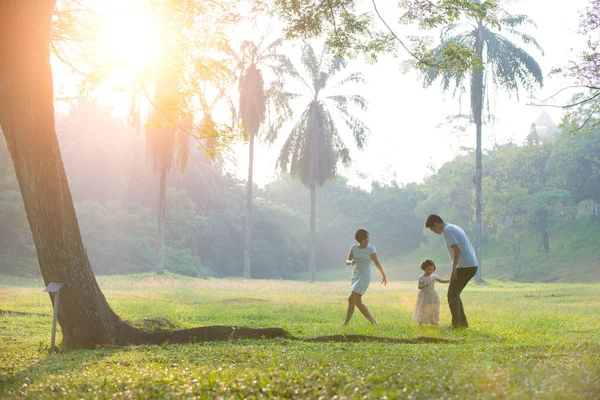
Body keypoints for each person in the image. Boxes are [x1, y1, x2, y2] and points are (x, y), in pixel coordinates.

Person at [425, 214, 478, 328]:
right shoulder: (453, 227)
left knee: (452, 294)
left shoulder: (447, 231)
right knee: (455, 294)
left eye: (432, 229)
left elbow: (456, 250)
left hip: (465, 266)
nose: (434, 232)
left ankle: (457, 324)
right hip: (471, 265)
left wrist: (454, 270)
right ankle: (462, 323)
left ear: (436, 224)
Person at [343, 228, 387, 325]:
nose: (367, 240)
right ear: (359, 239)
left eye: (368, 238)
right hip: (355, 275)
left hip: (364, 276)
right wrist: (351, 262)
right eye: (365, 238)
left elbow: (376, 262)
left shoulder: (371, 249)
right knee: (357, 302)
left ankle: (345, 323)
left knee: (351, 299)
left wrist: (383, 274)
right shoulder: (354, 247)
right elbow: (347, 261)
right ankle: (373, 322)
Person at [414, 259, 449, 325]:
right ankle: (420, 321)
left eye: (432, 269)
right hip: (424, 295)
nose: (430, 271)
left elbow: (441, 281)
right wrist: (424, 285)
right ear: (424, 268)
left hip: (432, 294)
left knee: (434, 307)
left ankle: (434, 321)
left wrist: (449, 281)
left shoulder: (434, 276)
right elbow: (419, 287)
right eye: (428, 269)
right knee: (423, 307)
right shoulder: (421, 277)